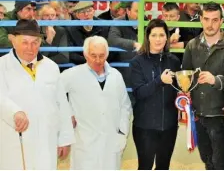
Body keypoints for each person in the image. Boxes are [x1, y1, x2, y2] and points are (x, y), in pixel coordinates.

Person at [0, 19, 74, 169]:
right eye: (25, 42)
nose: (30, 48)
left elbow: (61, 104)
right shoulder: (2, 66)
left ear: (40, 43)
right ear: (13, 42)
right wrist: (14, 112)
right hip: (14, 140)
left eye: (35, 42)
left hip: (46, 140)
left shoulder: (51, 67)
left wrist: (64, 139)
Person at [182, 2, 224, 170]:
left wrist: (216, 80)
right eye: (206, 19)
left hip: (221, 114)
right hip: (198, 112)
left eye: (215, 20)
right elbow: (185, 75)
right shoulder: (192, 45)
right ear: (200, 19)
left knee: (219, 161)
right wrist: (185, 92)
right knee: (206, 158)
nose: (210, 24)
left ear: (221, 21)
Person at [61, 36, 132, 169]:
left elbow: (125, 106)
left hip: (111, 141)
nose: (98, 60)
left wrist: (122, 132)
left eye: (102, 55)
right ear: (85, 54)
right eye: (93, 55)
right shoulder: (72, 74)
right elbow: (55, 96)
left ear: (107, 54)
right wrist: (68, 114)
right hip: (84, 143)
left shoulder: (116, 75)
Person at [130, 19, 181, 170]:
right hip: (145, 127)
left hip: (169, 126)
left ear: (167, 37)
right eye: (154, 35)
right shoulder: (136, 62)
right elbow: (139, 93)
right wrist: (159, 80)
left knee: (163, 167)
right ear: (147, 37)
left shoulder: (174, 61)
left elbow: (178, 91)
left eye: (161, 35)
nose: (158, 39)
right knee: (144, 166)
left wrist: (185, 94)